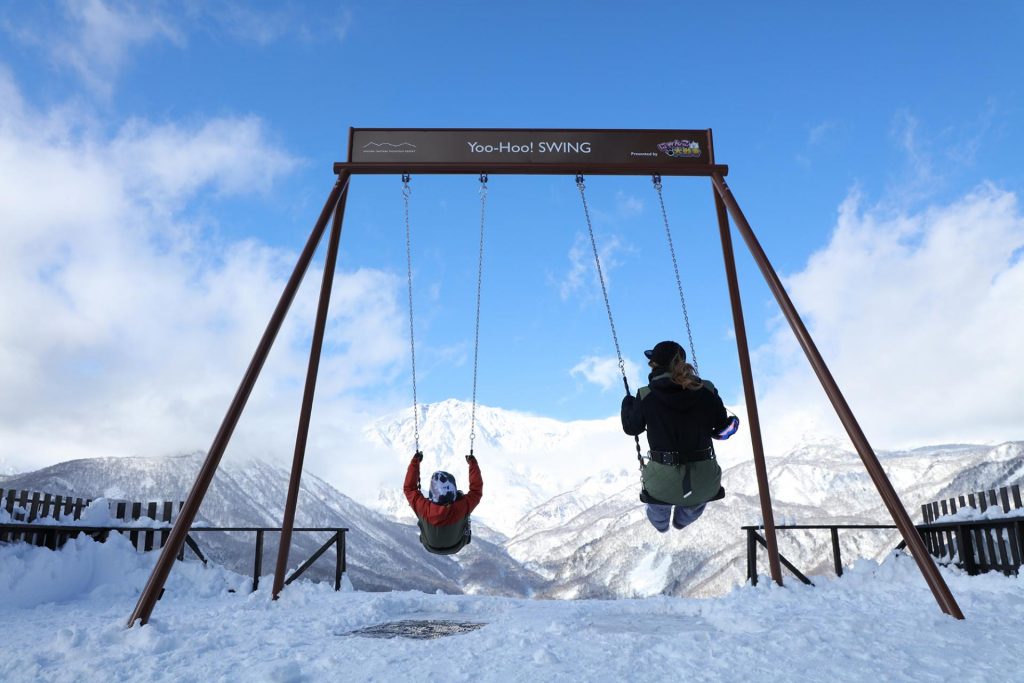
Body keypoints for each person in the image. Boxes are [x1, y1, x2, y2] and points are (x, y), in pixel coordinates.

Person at [621, 340, 738, 533]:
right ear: (682, 363)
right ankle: (682, 521)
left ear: (655, 365)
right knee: (696, 498)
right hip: (704, 480)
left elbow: (631, 428)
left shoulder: (646, 395)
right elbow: (720, 427)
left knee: (658, 502)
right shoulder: (706, 390)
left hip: (661, 483)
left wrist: (627, 404)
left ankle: (661, 525)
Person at [403, 452, 483, 554]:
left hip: (430, 546)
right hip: (457, 545)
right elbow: (476, 491)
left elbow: (409, 489)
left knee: (422, 516)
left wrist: (415, 461)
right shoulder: (461, 508)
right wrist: (472, 463)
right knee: (463, 500)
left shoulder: (424, 508)